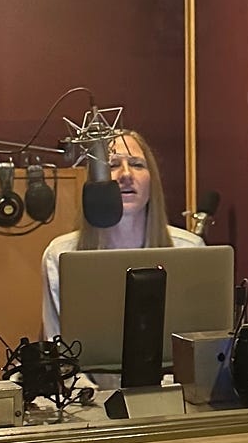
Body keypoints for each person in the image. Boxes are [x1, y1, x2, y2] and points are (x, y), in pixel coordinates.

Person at [41, 128, 200, 339]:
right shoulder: (59, 256)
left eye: (137, 164)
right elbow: (58, 348)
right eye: (113, 165)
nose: (126, 174)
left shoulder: (190, 250)